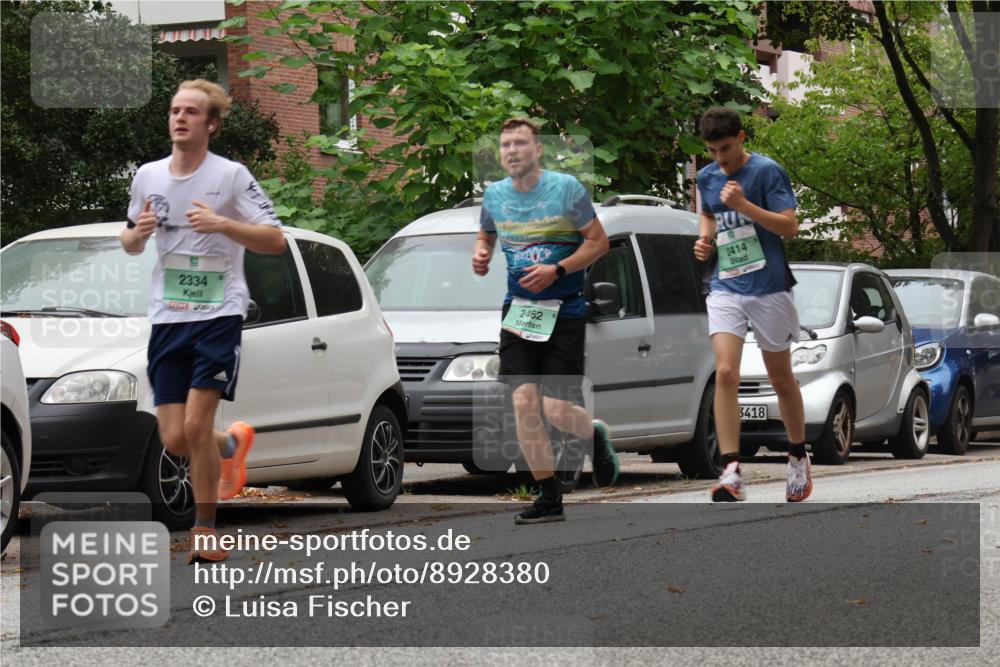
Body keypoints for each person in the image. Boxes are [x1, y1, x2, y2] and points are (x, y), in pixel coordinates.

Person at [120, 79, 286, 561]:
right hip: (168, 316)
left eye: (191, 111)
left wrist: (222, 224)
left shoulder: (231, 176)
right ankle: (232, 444)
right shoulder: (148, 177)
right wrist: (138, 234)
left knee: (195, 424)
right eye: (175, 110)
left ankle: (205, 531)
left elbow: (273, 240)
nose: (180, 118)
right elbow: (130, 240)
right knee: (175, 437)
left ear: (211, 123)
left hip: (220, 312)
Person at [473, 118, 618, 525]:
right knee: (523, 403)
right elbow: (486, 235)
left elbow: (598, 243)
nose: (512, 151)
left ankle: (594, 434)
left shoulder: (567, 190)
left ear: (538, 150)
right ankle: (549, 497)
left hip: (565, 311)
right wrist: (481, 254)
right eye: (505, 145)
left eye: (520, 143)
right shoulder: (494, 196)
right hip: (518, 311)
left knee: (555, 408)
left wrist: (558, 269)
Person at [692, 107, 812, 503]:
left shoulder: (767, 171)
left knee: (780, 377)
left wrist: (744, 206)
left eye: (726, 148)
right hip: (725, 284)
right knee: (725, 372)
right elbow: (708, 214)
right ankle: (731, 471)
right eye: (712, 151)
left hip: (768, 287)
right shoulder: (708, 176)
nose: (720, 159)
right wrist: (705, 239)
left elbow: (790, 227)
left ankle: (797, 453)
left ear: (742, 138)